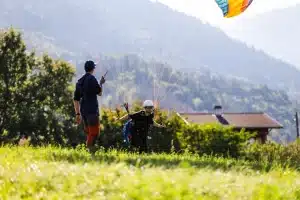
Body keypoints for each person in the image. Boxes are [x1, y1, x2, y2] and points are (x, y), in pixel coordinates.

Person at [73, 60, 105, 153]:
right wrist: (101, 83)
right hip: (92, 111)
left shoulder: (79, 82)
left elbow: (76, 99)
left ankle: (89, 152)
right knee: (94, 133)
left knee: (89, 133)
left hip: (83, 112)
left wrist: (77, 114)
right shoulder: (92, 79)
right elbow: (99, 93)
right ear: (93, 69)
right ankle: (89, 152)